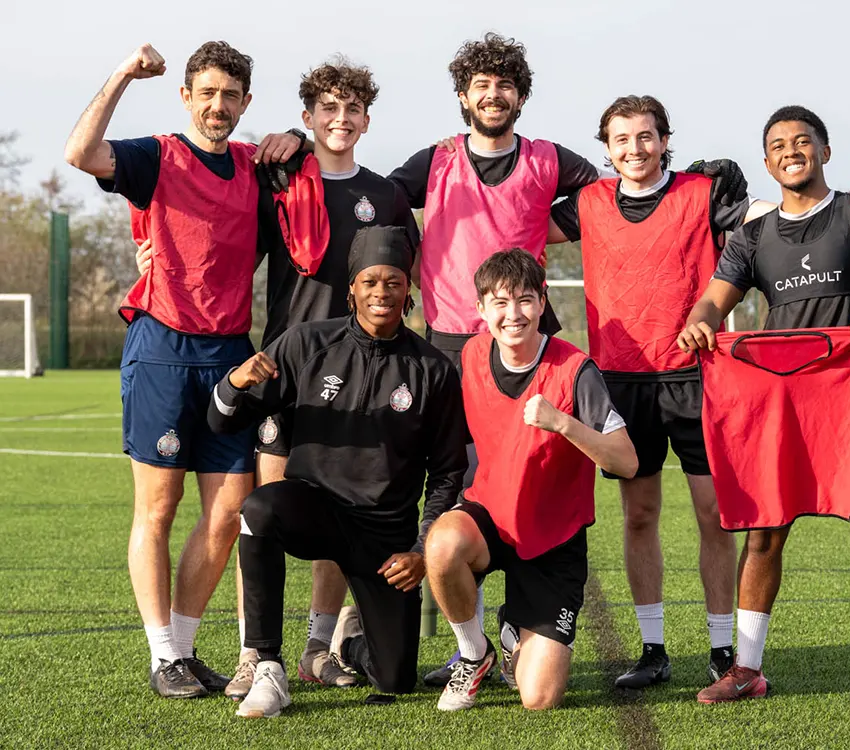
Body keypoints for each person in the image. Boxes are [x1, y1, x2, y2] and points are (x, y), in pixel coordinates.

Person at [547, 95, 850, 688]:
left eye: (647, 136)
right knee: (639, 516)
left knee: (714, 514)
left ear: (664, 139)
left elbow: (786, 214)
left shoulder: (704, 194)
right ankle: (653, 650)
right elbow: (521, 226)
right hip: (621, 382)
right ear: (605, 149)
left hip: (697, 376)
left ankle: (721, 650)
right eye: (622, 139)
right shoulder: (586, 203)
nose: (635, 148)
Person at [677, 105, 850, 716]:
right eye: (778, 145)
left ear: (824, 149)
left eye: (803, 141)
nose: (791, 151)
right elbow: (713, 301)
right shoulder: (753, 235)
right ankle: (746, 669)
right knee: (763, 534)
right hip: (779, 409)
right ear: (766, 162)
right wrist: (698, 324)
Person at [64, 41, 298, 699]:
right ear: (187, 96)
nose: (219, 104)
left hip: (231, 356)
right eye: (208, 92)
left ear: (245, 103)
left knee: (229, 511)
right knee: (157, 509)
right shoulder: (155, 155)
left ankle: (187, 653)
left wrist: (296, 135)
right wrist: (119, 75)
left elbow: (303, 158)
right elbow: (80, 154)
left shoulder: (255, 165)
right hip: (162, 348)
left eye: (231, 95)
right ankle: (161, 653)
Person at [387, 32, 599, 685]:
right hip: (452, 340)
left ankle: (519, 619)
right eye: (481, 85)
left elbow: (608, 198)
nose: (493, 94)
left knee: (531, 475)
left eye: (505, 85)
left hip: (526, 335)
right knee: (461, 483)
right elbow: (376, 199)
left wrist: (550, 226)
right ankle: (469, 644)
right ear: (463, 96)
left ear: (520, 95)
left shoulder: (546, 158)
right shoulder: (439, 159)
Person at [207, 225, 467, 718]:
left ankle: (348, 644)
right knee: (260, 507)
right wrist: (233, 382)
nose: (381, 293)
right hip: (316, 510)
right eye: (370, 282)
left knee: (395, 679)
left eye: (393, 282)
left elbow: (449, 472)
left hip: (386, 534)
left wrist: (419, 550)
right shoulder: (307, 345)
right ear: (352, 288)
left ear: (407, 288)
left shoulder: (432, 369)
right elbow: (221, 422)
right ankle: (267, 665)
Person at [230, 58, 420, 699]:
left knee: (341, 508)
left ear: (367, 119)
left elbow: (409, 272)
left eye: (353, 109)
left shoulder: (387, 195)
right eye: (328, 109)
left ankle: (319, 647)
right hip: (288, 371)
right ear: (308, 117)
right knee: (265, 511)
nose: (341, 120)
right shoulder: (279, 177)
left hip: (363, 376)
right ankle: (255, 655)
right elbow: (231, 242)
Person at [424, 249, 638, 711]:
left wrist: (564, 423)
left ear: (542, 302)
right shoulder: (472, 353)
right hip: (489, 519)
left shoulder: (576, 370)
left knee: (539, 699)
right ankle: (473, 654)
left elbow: (626, 462)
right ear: (480, 310)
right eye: (499, 303)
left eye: (524, 300)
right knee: (441, 546)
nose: (512, 314)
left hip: (554, 539)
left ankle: (512, 630)